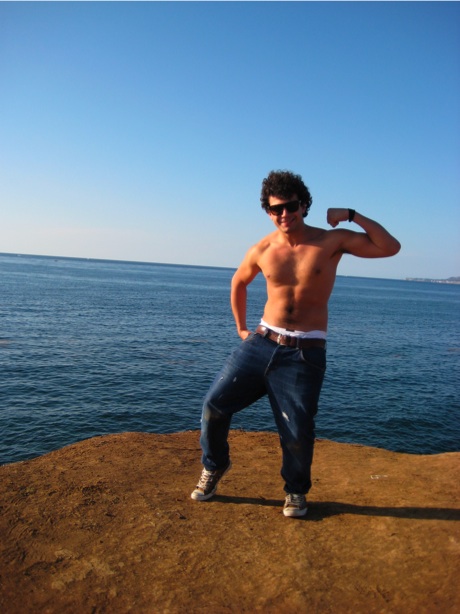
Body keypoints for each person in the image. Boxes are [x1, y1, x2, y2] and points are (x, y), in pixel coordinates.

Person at [191, 170, 401, 517]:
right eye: (276, 209)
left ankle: (295, 491)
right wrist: (242, 329)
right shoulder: (262, 249)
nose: (284, 214)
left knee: (297, 429)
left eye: (290, 206)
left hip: (305, 351)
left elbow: (390, 247)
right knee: (214, 405)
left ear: (303, 205)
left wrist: (351, 215)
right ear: (268, 212)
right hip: (261, 343)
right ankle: (215, 465)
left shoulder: (330, 241)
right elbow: (238, 282)